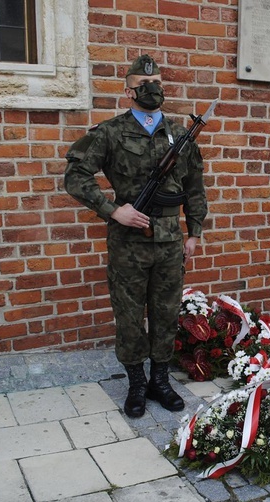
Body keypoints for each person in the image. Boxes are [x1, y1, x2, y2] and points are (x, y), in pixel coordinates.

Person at [64, 54, 208, 418]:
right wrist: (113, 209)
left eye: (157, 82)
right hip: (129, 243)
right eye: (144, 84)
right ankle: (136, 384)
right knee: (129, 316)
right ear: (128, 91)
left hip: (171, 242)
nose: (152, 88)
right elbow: (76, 177)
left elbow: (194, 187)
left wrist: (194, 233)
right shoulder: (110, 132)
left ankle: (160, 380)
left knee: (166, 313)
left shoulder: (179, 133)